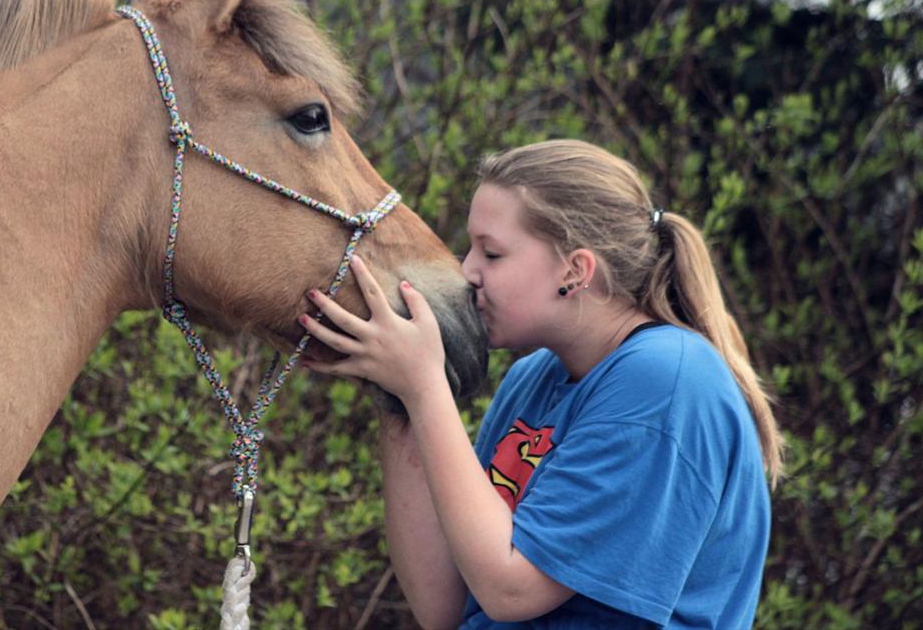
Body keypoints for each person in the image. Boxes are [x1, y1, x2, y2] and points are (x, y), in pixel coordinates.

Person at [299, 139, 784, 628]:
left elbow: (511, 590)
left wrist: (426, 388)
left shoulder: (665, 381)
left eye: (492, 253)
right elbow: (442, 606)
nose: (468, 271)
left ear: (575, 271)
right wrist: (398, 397)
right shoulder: (535, 377)